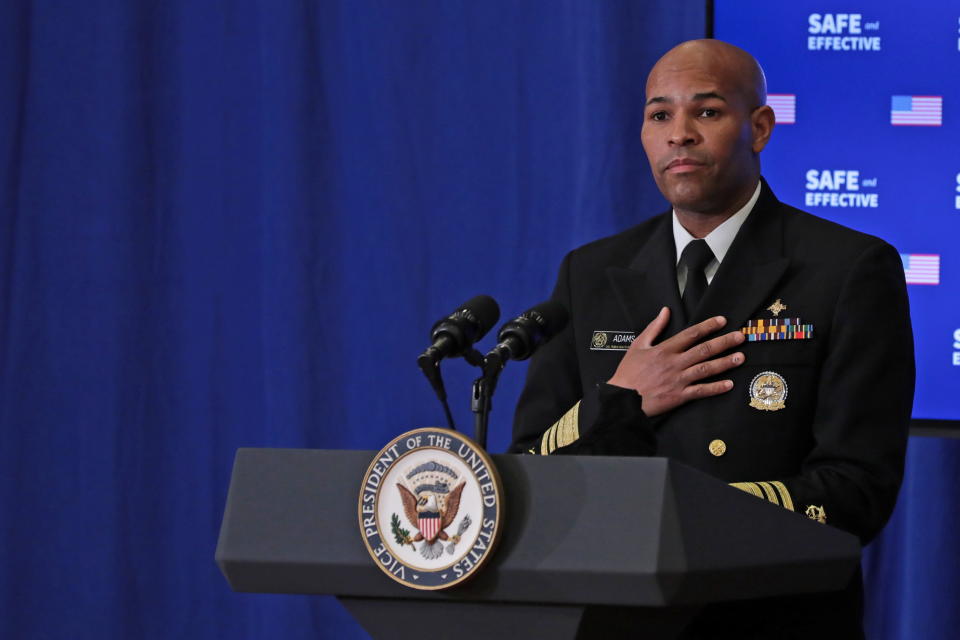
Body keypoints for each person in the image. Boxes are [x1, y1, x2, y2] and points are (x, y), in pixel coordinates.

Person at [509, 39, 914, 637]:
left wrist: (683, 524)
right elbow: (530, 467)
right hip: (612, 615)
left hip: (769, 615)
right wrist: (624, 398)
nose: (679, 134)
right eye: (659, 115)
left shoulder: (848, 268)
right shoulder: (590, 273)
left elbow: (859, 489)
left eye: (706, 111)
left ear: (759, 128)